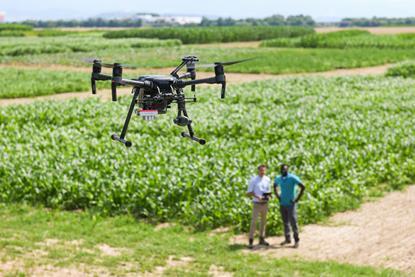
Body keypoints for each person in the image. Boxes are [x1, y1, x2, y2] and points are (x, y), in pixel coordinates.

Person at [274, 164, 305, 248]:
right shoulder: (278, 178)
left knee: (293, 222)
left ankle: (296, 240)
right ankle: (287, 239)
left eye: (285, 169)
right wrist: (278, 196)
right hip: (282, 203)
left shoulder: (292, 178)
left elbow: (302, 187)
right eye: (282, 169)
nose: (284, 171)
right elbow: (275, 186)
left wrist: (296, 199)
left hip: (291, 203)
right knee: (285, 222)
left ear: (288, 170)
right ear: (280, 170)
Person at [246, 164, 271, 249]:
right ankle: (251, 240)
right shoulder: (253, 180)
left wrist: (269, 196)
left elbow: (268, 190)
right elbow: (248, 193)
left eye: (264, 170)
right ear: (258, 170)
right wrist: (257, 196)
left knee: (263, 222)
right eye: (261, 170)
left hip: (265, 203)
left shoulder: (267, 179)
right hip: (256, 203)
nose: (262, 172)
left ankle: (262, 239)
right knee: (254, 222)